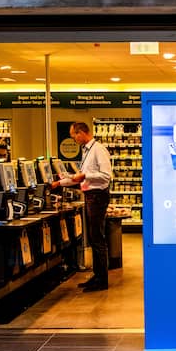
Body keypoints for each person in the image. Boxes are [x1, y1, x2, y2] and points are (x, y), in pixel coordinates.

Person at [51, 122, 112, 292]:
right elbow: (80, 179)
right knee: (94, 237)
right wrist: (59, 183)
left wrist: (85, 175)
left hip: (98, 197)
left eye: (74, 135)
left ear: (82, 132)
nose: (73, 139)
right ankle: (97, 276)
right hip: (91, 196)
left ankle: (102, 280)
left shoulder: (98, 149)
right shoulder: (87, 150)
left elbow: (106, 176)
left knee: (97, 238)